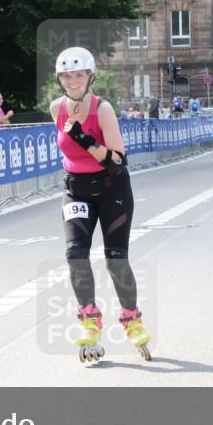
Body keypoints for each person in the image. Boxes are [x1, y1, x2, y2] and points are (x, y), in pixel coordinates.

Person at [51, 46, 150, 363]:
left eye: (78, 75)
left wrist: (86, 140)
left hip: (111, 189)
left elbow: (119, 162)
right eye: (66, 76)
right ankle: (89, 318)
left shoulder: (102, 109)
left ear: (90, 76)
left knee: (115, 259)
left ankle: (132, 318)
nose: (72, 81)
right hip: (76, 189)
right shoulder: (57, 108)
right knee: (74, 253)